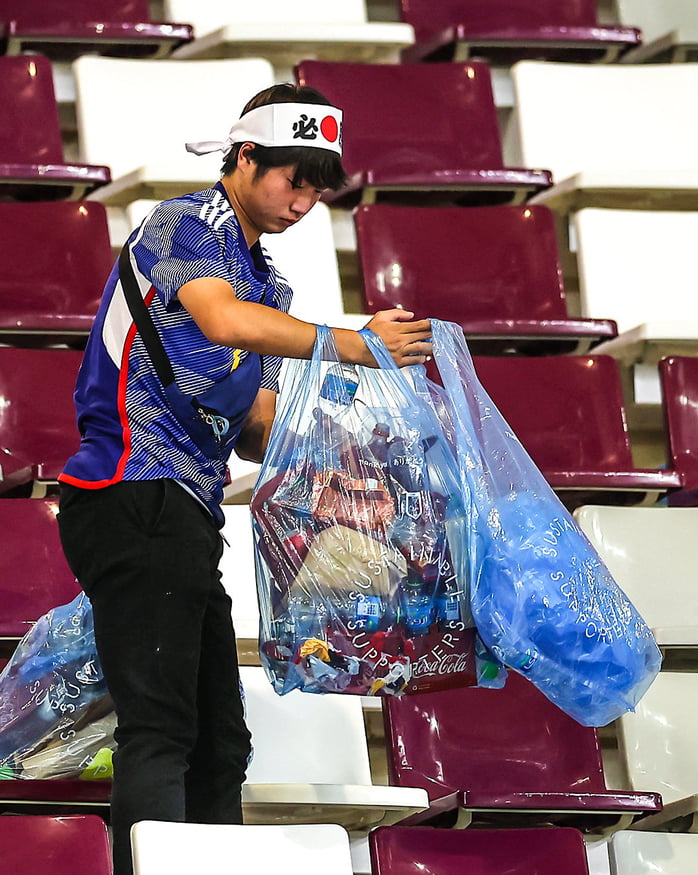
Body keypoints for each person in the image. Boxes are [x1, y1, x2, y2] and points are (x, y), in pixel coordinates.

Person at [56, 83, 431, 875]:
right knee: (159, 728)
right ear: (246, 156)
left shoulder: (269, 286)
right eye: (291, 179)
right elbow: (220, 322)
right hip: (131, 487)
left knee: (221, 744)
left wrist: (357, 466)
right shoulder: (185, 222)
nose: (302, 202)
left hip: (184, 507)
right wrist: (354, 343)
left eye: (317, 190)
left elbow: (255, 423)